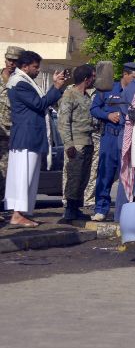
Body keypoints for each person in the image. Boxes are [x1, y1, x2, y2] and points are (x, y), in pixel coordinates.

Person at [5, 51, 66, 227]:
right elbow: (39, 104)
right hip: (26, 136)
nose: (38, 70)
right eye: (35, 66)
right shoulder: (19, 83)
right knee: (23, 176)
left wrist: (55, 87)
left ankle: (21, 213)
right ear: (24, 66)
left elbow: (40, 102)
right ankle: (17, 214)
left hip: (30, 135)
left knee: (29, 177)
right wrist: (55, 87)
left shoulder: (25, 82)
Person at [90, 62, 135, 221]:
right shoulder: (107, 89)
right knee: (106, 172)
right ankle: (101, 208)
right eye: (133, 77)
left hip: (127, 136)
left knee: (126, 174)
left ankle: (124, 211)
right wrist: (107, 116)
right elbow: (94, 109)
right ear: (126, 74)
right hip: (110, 136)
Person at [58, 64, 97, 222]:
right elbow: (63, 122)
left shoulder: (86, 97)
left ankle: (76, 208)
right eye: (93, 76)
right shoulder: (70, 95)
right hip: (76, 144)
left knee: (83, 178)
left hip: (87, 141)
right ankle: (69, 210)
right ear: (86, 79)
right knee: (74, 177)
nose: (95, 79)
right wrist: (69, 144)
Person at [114, 61, 135, 221]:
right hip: (130, 138)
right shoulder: (134, 90)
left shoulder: (134, 88)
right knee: (127, 178)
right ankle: (122, 216)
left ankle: (123, 216)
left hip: (130, 138)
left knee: (129, 178)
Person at [0, 46, 25, 222]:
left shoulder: (20, 82)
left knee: (7, 173)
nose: (11, 63)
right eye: (9, 60)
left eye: (15, 61)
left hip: (12, 135)